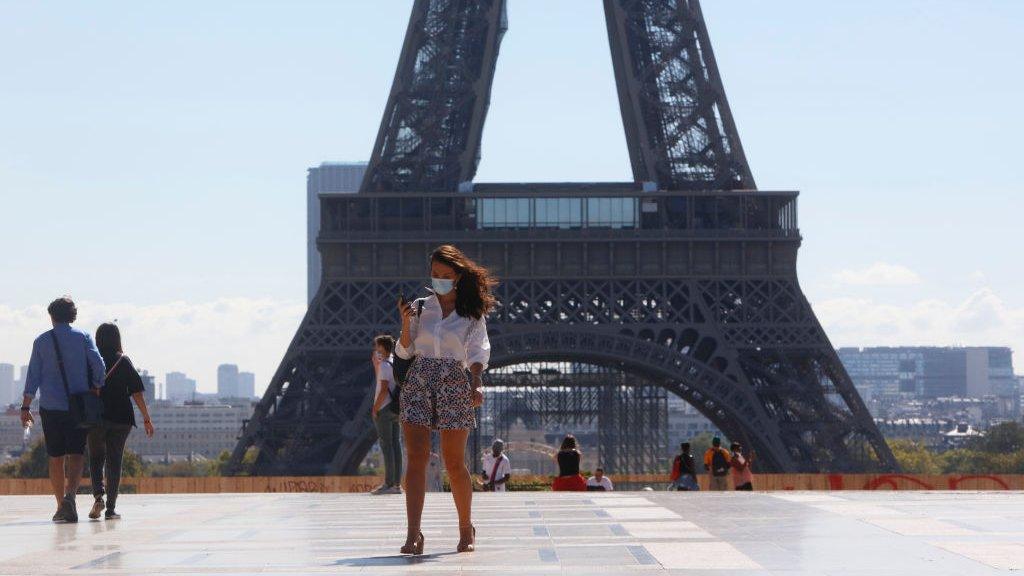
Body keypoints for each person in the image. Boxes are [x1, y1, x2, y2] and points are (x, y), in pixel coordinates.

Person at [396, 245, 495, 554]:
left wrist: (476, 384)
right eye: (434, 275)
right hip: (420, 380)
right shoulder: (421, 307)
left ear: (458, 276)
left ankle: (466, 529)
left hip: (454, 382)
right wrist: (404, 324)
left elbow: (478, 353)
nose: (438, 280)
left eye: (445, 276)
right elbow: (403, 352)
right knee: (416, 460)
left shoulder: (471, 313)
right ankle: (414, 534)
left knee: (454, 463)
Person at [20, 297, 106, 523]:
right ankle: (71, 498)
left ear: (51, 316)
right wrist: (96, 386)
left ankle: (61, 506)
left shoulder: (41, 341)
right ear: (73, 315)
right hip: (78, 407)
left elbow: (33, 377)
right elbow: (99, 365)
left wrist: (26, 406)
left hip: (50, 407)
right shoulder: (83, 337)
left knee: (55, 457)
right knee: (76, 454)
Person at [87, 323, 155, 520]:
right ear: (117, 339)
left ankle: (98, 496)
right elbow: (136, 392)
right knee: (114, 462)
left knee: (96, 459)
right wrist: (146, 418)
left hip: (95, 418)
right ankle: (110, 508)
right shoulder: (123, 361)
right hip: (121, 418)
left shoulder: (91, 360)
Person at [370, 335, 402, 495]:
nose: (375, 348)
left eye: (376, 346)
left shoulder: (384, 366)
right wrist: (376, 365)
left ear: (382, 347)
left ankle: (388, 483)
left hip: (383, 408)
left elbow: (382, 389)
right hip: (396, 409)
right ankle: (396, 484)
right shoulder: (392, 363)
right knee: (396, 445)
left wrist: (375, 408)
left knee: (386, 446)